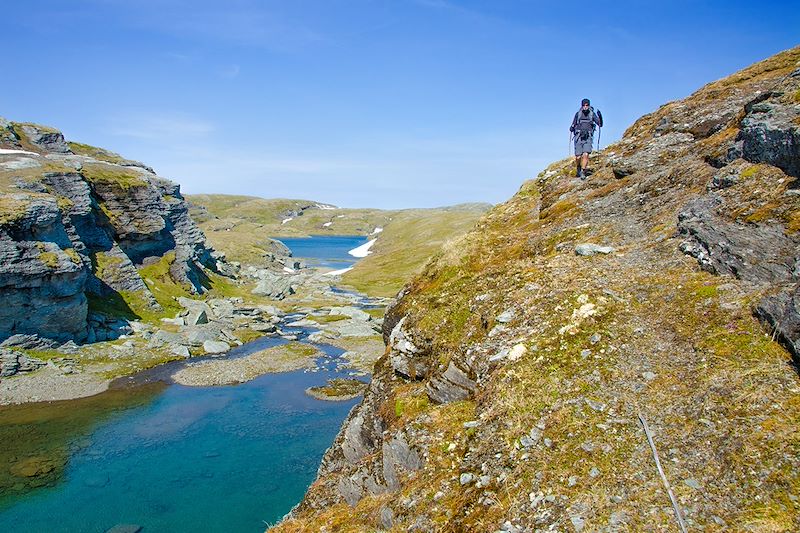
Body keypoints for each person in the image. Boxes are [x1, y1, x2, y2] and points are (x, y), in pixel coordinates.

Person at [570, 98, 603, 179]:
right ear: (582, 105)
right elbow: (573, 124)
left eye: (587, 105)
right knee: (578, 156)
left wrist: (600, 117)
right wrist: (571, 128)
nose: (585, 106)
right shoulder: (578, 114)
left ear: (589, 105)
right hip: (578, 136)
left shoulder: (592, 114)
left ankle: (583, 171)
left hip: (588, 136)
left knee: (586, 154)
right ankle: (578, 167)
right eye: (584, 105)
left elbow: (600, 124)